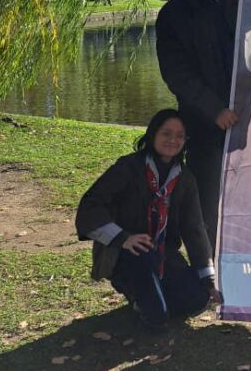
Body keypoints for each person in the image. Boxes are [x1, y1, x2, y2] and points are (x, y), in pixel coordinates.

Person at [76, 110, 216, 330]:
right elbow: (90, 206)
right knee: (157, 320)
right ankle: (136, 292)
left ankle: (153, 293)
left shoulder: (185, 178)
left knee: (197, 299)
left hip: (163, 255)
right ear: (152, 135)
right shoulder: (128, 167)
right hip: (126, 253)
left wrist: (208, 280)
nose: (173, 140)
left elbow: (194, 228)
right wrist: (123, 238)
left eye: (180, 136)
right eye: (166, 133)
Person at [156, 0, 246, 246]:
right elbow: (176, 73)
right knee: (208, 200)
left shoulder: (250, 1)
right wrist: (214, 110)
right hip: (204, 124)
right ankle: (210, 274)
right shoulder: (174, 14)